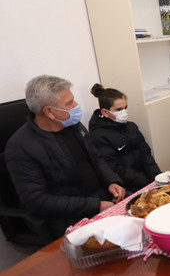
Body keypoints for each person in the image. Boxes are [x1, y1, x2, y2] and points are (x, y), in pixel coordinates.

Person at [5, 75, 126, 240]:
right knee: (125, 239)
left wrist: (112, 181)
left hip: (101, 196)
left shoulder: (72, 124)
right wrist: (95, 205)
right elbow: (37, 201)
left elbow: (96, 158)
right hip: (69, 215)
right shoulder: (20, 147)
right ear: (49, 112)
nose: (76, 106)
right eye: (69, 103)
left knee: (146, 213)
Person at [88, 83, 161, 193]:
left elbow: (145, 154)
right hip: (126, 185)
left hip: (144, 178)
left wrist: (157, 178)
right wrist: (146, 183)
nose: (124, 112)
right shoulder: (98, 137)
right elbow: (115, 169)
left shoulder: (131, 126)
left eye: (125, 108)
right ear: (105, 112)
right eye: (119, 109)